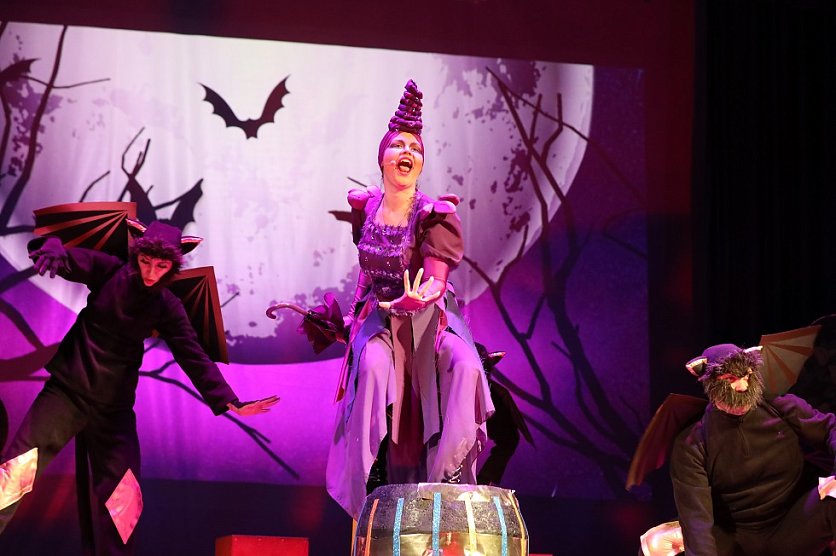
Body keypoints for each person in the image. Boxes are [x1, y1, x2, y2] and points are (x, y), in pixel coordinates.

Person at [0, 220, 278, 555]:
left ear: (172, 267)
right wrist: (54, 250)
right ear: (137, 255)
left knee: (125, 496)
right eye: (146, 262)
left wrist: (230, 401)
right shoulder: (110, 271)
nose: (151, 272)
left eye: (161, 266)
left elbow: (192, 354)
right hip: (67, 393)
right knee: (16, 470)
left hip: (113, 409)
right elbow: (72, 259)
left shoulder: (167, 306)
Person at [325, 79, 494, 519]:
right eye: (398, 145)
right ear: (382, 158)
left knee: (465, 367)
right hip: (381, 320)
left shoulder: (434, 214)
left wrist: (417, 300)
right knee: (372, 368)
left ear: (420, 163)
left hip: (431, 319)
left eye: (415, 148)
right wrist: (354, 312)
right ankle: (372, 478)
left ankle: (446, 477)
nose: (407, 152)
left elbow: (435, 280)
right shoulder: (367, 207)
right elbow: (367, 268)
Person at [670, 343, 836, 555]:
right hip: (736, 540)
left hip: (794, 525)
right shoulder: (692, 444)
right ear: (710, 384)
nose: (742, 387)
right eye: (730, 379)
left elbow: (830, 428)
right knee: (657, 545)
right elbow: (696, 519)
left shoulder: (781, 407)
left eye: (746, 376)